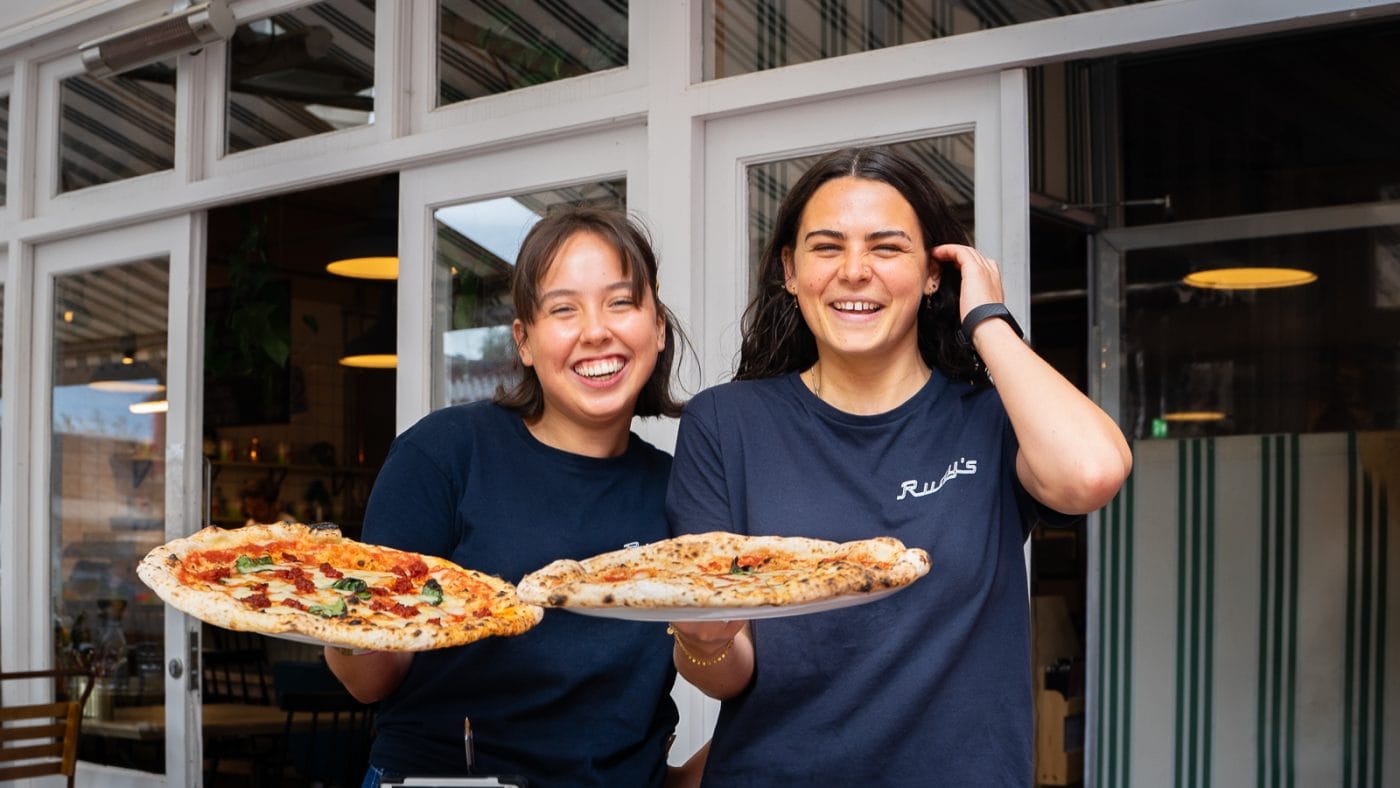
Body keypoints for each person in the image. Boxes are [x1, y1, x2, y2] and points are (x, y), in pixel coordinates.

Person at [665, 147, 1133, 785]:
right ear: (790, 270)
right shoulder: (725, 424)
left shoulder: (993, 420)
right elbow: (726, 675)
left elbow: (1093, 472)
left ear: (934, 274)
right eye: (826, 247)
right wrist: (707, 636)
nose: (855, 271)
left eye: (887, 248)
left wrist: (988, 319)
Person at [325, 207, 698, 786]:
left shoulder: (681, 489)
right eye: (563, 308)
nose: (596, 330)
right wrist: (332, 613)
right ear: (523, 340)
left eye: (621, 302)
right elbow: (369, 680)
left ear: (659, 328)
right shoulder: (446, 452)